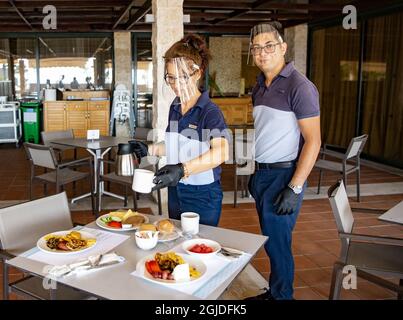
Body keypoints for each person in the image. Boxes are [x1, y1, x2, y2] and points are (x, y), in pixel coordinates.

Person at [245, 22, 321, 300]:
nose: (262, 53)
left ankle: (282, 297)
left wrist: (295, 187)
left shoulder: (300, 87)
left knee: (278, 244)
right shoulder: (259, 85)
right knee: (271, 240)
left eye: (269, 46)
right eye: (256, 48)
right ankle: (276, 292)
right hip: (264, 174)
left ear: (283, 48)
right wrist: (256, 171)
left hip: (285, 177)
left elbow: (314, 141)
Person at [131, 34, 230, 227]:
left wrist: (182, 169)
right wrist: (149, 149)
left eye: (183, 77)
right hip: (177, 190)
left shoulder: (209, 112)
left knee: (198, 248)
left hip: (202, 194)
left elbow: (221, 152)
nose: (176, 84)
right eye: (171, 78)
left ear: (199, 72)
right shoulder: (175, 106)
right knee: (177, 243)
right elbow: (175, 146)